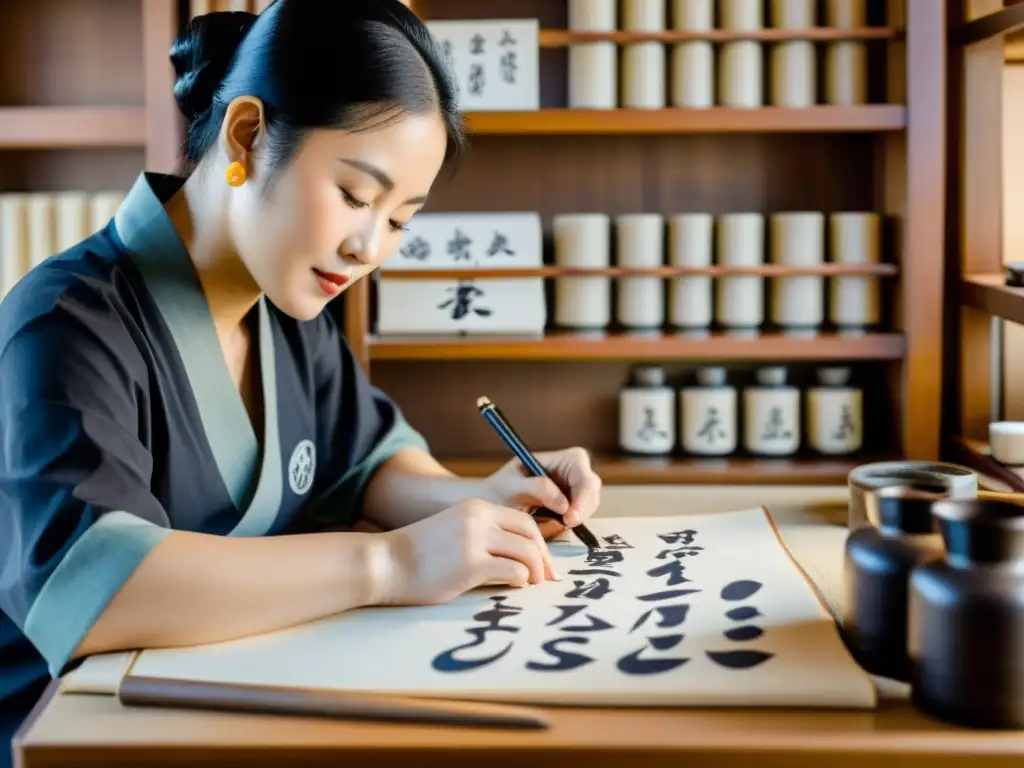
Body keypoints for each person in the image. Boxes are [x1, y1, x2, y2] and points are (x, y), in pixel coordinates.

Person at [0, 2, 603, 763]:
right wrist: (395, 564)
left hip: (230, 715)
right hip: (76, 736)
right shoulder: (63, 324)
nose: (367, 247)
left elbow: (368, 466)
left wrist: (484, 500)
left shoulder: (286, 301)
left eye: (399, 221)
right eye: (355, 196)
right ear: (248, 134)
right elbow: (97, 590)